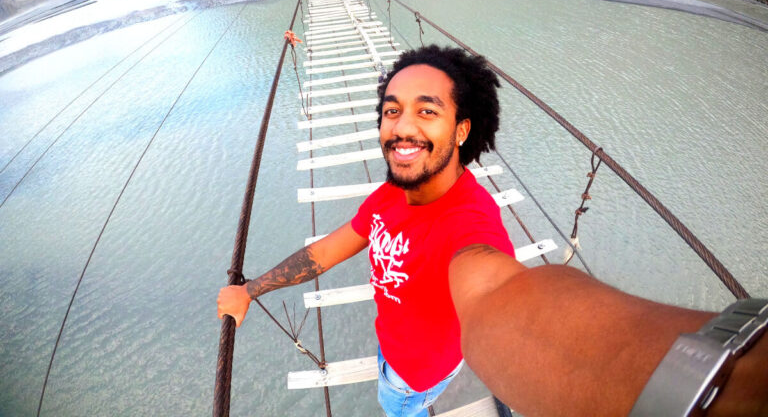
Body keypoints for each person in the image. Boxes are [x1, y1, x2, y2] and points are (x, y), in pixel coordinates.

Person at [219, 45, 768, 417]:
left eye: (426, 111)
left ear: (461, 129)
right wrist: (251, 289)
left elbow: (500, 294)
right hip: (393, 362)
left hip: (429, 384)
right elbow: (327, 251)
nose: (402, 127)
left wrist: (711, 379)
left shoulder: (468, 220)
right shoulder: (391, 194)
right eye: (391, 110)